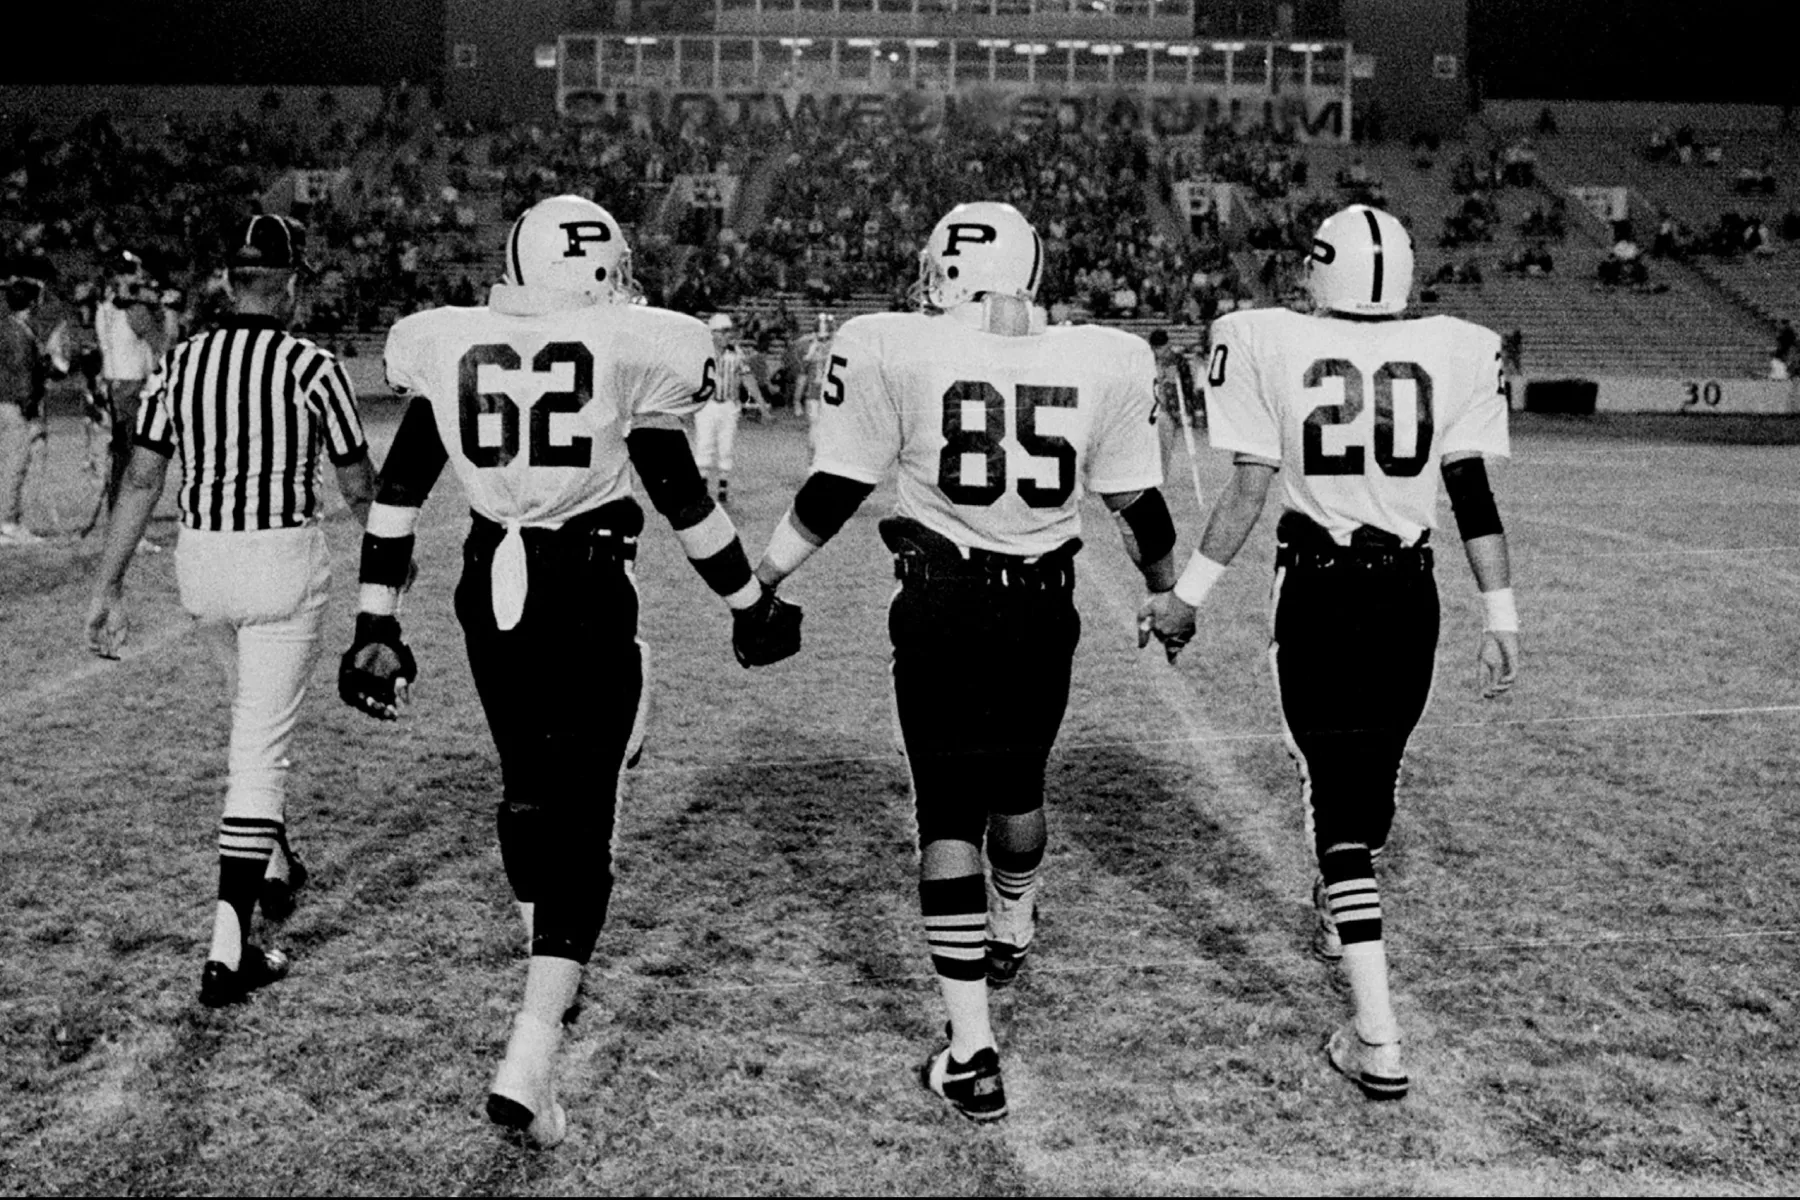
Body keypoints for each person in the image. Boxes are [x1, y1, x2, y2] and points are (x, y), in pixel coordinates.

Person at [335, 194, 799, 1150]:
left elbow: (398, 494)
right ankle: (534, 1046)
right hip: (583, 582)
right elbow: (681, 500)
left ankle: (541, 955)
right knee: (588, 798)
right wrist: (750, 605)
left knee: (527, 789)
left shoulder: (448, 342)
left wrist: (374, 620)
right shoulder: (631, 347)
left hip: (485, 580)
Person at [747, 202, 1178, 1123]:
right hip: (1044, 603)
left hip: (943, 598)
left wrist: (767, 574)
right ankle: (1014, 924)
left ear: (943, 268)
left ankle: (972, 1051)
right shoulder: (1099, 355)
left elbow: (835, 486)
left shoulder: (894, 343)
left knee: (947, 807)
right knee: (1020, 785)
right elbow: (1139, 505)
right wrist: (1165, 592)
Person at [1145, 204, 1520, 1102]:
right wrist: (1501, 615)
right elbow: (1469, 492)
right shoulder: (1463, 346)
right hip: (1411, 592)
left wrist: (1184, 599)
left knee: (1340, 807)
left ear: (1327, 270)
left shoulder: (1263, 337)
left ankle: (1378, 1036)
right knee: (1367, 788)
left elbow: (1246, 492)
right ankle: (1345, 909)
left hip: (1319, 587)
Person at [83, 214, 376, 1007]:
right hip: (278, 559)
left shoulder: (183, 361)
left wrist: (108, 586)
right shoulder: (310, 364)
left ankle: (275, 861)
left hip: (202, 566)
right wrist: (392, 561)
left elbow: (142, 478)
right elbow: (355, 484)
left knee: (249, 716)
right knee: (259, 754)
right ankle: (229, 947)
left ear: (228, 280)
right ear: (287, 286)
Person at [95, 250, 177, 548]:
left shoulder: (104, 308)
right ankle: (129, 532)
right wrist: (168, 312)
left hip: (112, 384)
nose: (142, 279)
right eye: (136, 273)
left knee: (120, 461)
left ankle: (118, 527)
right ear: (123, 277)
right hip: (132, 387)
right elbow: (164, 345)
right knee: (133, 464)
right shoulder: (135, 310)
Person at [692, 312, 765, 505]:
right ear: (713, 333)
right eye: (722, 332)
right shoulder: (701, 352)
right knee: (704, 445)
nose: (726, 336)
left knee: (726, 446)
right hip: (707, 405)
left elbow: (747, 378)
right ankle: (702, 485)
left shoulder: (736, 353)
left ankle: (723, 485)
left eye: (728, 332)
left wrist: (761, 404)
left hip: (728, 405)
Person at [0, 267, 51, 544]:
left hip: (4, 401)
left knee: (7, 462)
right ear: (31, 303)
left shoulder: (7, 326)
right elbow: (21, 372)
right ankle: (8, 523)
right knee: (15, 464)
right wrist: (30, 408)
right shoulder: (19, 333)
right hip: (13, 404)